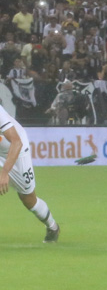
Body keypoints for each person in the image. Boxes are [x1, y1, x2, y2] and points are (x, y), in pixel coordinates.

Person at [0, 104, 60, 243]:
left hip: (15, 150)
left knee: (29, 200)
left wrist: (4, 173)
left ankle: (52, 227)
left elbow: (16, 142)